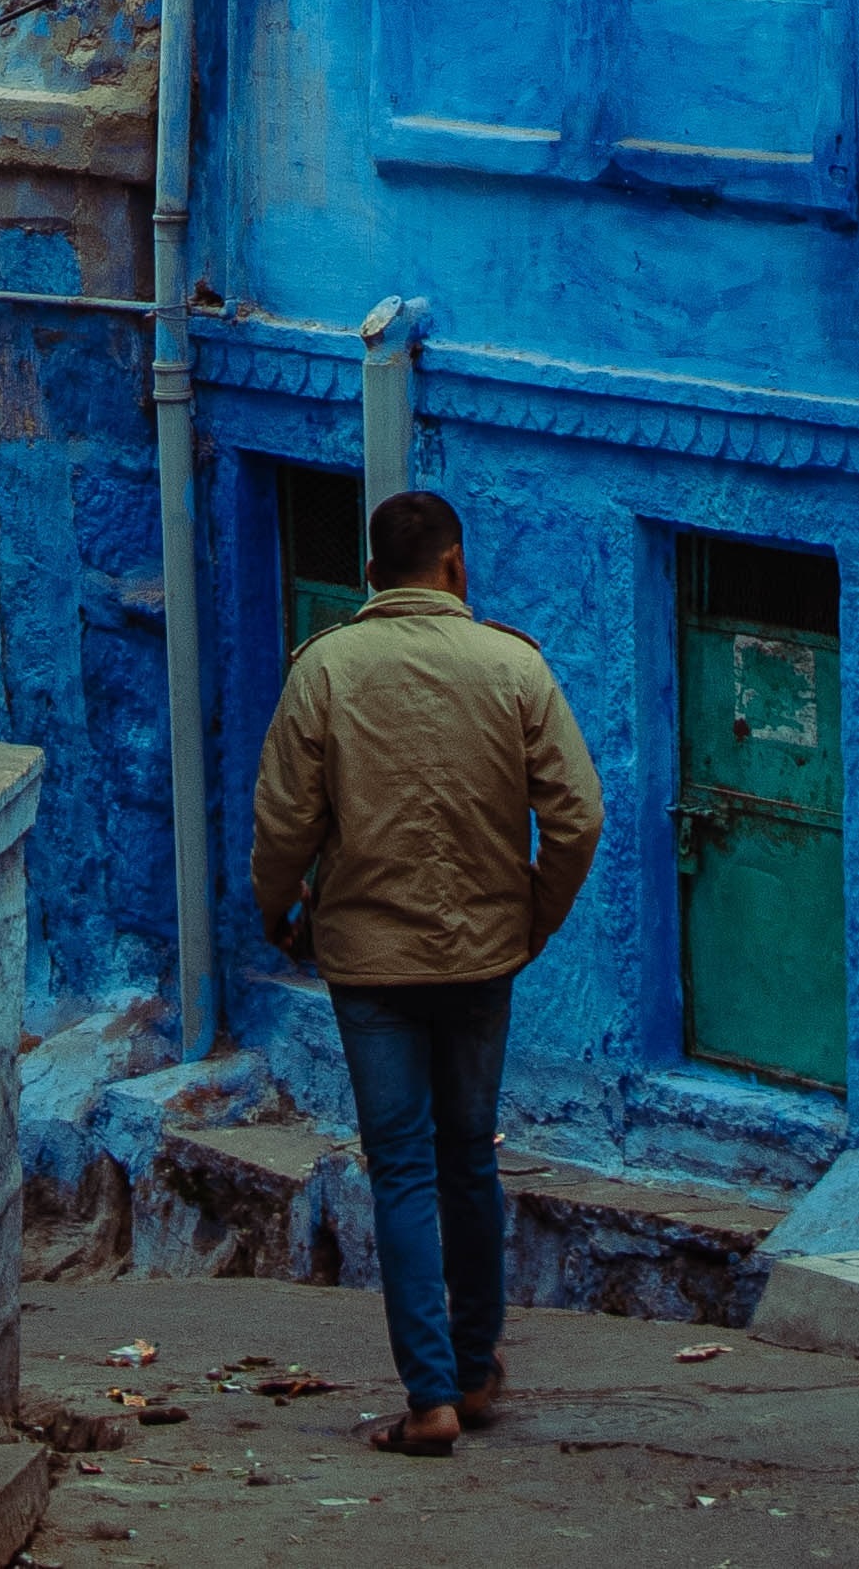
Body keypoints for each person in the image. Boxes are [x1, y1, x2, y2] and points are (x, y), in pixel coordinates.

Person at [249, 487, 603, 1459]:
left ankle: (429, 1397)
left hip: (368, 961)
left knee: (402, 1165)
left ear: (371, 574)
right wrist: (530, 916)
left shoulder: (323, 669)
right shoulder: (513, 666)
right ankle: (477, 1368)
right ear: (454, 565)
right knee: (468, 1155)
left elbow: (284, 820)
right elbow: (577, 816)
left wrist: (276, 907)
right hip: (483, 953)